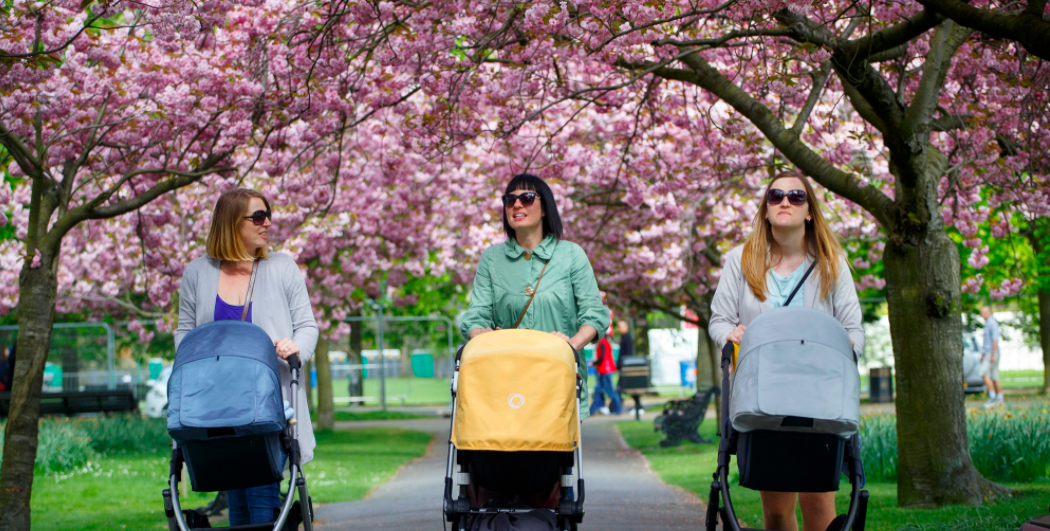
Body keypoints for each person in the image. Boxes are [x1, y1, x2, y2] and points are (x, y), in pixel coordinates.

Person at [709, 170, 864, 531]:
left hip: (818, 396)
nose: (784, 202)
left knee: (819, 507)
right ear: (765, 209)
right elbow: (719, 320)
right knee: (777, 513)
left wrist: (838, 349)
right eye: (775, 196)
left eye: (796, 197)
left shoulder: (831, 263)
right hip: (765, 394)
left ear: (809, 211)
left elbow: (854, 330)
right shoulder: (741, 261)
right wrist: (730, 333)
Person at [174, 188, 318, 526]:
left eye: (267, 214)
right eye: (257, 216)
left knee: (262, 490)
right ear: (230, 222)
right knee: (234, 494)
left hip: (266, 399)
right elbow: (184, 333)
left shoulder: (281, 267)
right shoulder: (198, 273)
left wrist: (296, 348)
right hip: (216, 401)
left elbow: (306, 325)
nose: (267, 222)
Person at [460, 173, 610, 420]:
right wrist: (481, 335)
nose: (517, 204)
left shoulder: (571, 255)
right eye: (510, 200)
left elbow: (594, 314)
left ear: (544, 208)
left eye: (527, 198)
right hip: (506, 385)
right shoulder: (492, 259)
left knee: (554, 457)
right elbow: (476, 316)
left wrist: (568, 346)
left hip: (559, 382)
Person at [615, 320, 644, 415]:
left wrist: (623, 365)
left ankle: (619, 407)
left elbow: (627, 353)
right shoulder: (624, 338)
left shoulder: (627, 338)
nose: (619, 328)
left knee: (627, 387)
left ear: (626, 327)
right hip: (624, 366)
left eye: (621, 326)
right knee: (624, 388)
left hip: (626, 367)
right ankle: (635, 405)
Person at [589, 330, 622, 415]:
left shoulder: (603, 342)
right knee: (598, 390)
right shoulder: (604, 342)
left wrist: (594, 363)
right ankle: (594, 408)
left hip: (605, 369)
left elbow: (602, 357)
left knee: (610, 391)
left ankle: (618, 409)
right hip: (603, 369)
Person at [979, 306, 1003, 407]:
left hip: (991, 353)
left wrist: (993, 354)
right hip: (988, 353)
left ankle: (993, 397)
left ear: (988, 312)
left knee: (983, 374)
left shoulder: (992, 323)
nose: (981, 315)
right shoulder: (987, 323)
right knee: (994, 376)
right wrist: (983, 354)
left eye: (983, 313)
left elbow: (995, 340)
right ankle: (1000, 399)